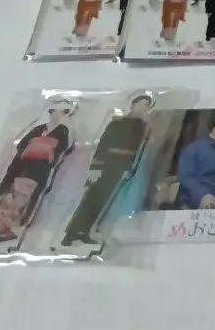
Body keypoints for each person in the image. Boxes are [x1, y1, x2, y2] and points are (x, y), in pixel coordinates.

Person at [61, 94, 154, 248]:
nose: (142, 108)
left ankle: (86, 231)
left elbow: (141, 146)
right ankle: (71, 233)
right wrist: (95, 167)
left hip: (122, 164)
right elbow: (103, 143)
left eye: (146, 106)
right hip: (106, 161)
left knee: (104, 200)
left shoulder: (143, 126)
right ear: (133, 105)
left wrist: (129, 166)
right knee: (90, 198)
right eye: (140, 104)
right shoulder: (117, 122)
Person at [0, 98, 76, 242]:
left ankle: (6, 226)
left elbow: (64, 148)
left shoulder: (64, 130)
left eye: (64, 111)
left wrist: (45, 151)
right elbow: (22, 144)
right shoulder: (39, 128)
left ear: (68, 113)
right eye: (53, 111)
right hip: (21, 163)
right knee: (6, 190)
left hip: (40, 166)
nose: (57, 114)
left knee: (24, 193)